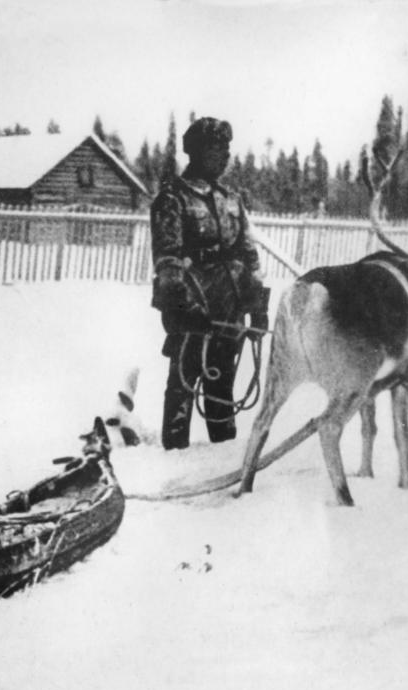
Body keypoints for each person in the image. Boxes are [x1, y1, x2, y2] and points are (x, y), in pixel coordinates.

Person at [150, 117, 269, 450]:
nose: (225, 156)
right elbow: (168, 260)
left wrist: (258, 309)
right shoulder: (173, 198)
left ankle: (223, 453)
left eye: (227, 149)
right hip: (193, 303)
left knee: (223, 384)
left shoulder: (231, 199)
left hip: (228, 305)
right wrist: (184, 307)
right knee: (183, 384)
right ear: (198, 152)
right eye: (217, 149)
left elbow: (249, 257)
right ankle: (174, 457)